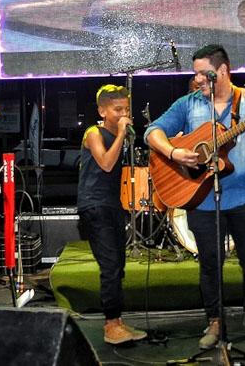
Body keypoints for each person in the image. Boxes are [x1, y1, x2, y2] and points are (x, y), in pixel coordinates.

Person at [145, 44, 245, 349]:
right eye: (195, 74)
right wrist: (174, 152)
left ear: (222, 71)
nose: (197, 79)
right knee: (210, 263)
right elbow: (152, 132)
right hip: (203, 200)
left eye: (202, 74)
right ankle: (215, 320)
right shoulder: (188, 104)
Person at [77, 84, 147, 345]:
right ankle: (110, 325)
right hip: (94, 206)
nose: (123, 114)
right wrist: (121, 135)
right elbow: (106, 163)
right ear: (102, 111)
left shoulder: (119, 135)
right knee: (110, 266)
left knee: (118, 264)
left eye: (126, 109)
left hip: (112, 205)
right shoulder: (93, 133)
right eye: (118, 109)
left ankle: (117, 322)